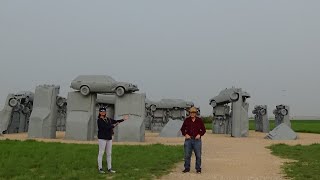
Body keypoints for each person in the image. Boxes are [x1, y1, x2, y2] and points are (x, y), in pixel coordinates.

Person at [97, 107, 129, 174]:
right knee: (101, 153)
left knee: (109, 153)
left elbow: (115, 121)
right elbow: (104, 127)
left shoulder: (108, 119)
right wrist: (113, 126)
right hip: (102, 138)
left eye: (104, 111)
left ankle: (109, 168)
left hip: (109, 138)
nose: (103, 112)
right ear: (99, 112)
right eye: (102, 111)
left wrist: (123, 119)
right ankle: (100, 168)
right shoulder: (99, 120)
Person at [180, 107, 206, 174]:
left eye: (193, 112)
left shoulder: (199, 120)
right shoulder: (187, 120)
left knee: (198, 155)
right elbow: (182, 129)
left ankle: (198, 169)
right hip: (188, 140)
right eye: (191, 112)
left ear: (196, 113)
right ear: (189, 113)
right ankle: (187, 168)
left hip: (197, 140)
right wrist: (185, 134)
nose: (192, 114)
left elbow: (204, 130)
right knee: (187, 155)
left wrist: (199, 134)